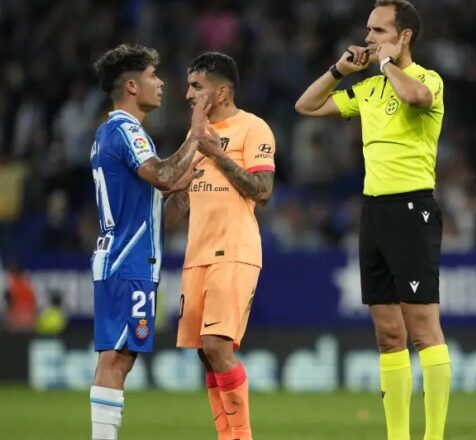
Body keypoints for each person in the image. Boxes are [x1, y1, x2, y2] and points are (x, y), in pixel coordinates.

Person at [295, 1, 450, 439]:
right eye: (368, 30)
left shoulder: (426, 79)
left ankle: (433, 436)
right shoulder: (367, 90)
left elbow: (416, 98)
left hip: (412, 208)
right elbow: (305, 106)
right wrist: (340, 70)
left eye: (379, 30)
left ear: (405, 37)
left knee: (423, 329)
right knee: (387, 334)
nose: (369, 38)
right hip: (374, 212)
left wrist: (385, 64)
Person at [89, 43, 215, 440]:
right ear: (131, 85)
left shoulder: (117, 132)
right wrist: (195, 135)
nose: (160, 84)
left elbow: (163, 195)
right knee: (117, 358)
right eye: (152, 76)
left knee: (119, 357)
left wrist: (195, 182)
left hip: (128, 256)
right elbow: (162, 175)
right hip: (128, 259)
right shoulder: (125, 130)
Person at [171, 52, 276, 440]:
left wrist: (217, 154)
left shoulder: (254, 128)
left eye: (196, 86)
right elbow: (181, 200)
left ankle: (242, 437)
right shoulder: (194, 135)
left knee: (217, 345)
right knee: (205, 352)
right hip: (196, 254)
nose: (187, 94)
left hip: (235, 249)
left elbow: (262, 191)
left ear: (223, 91)